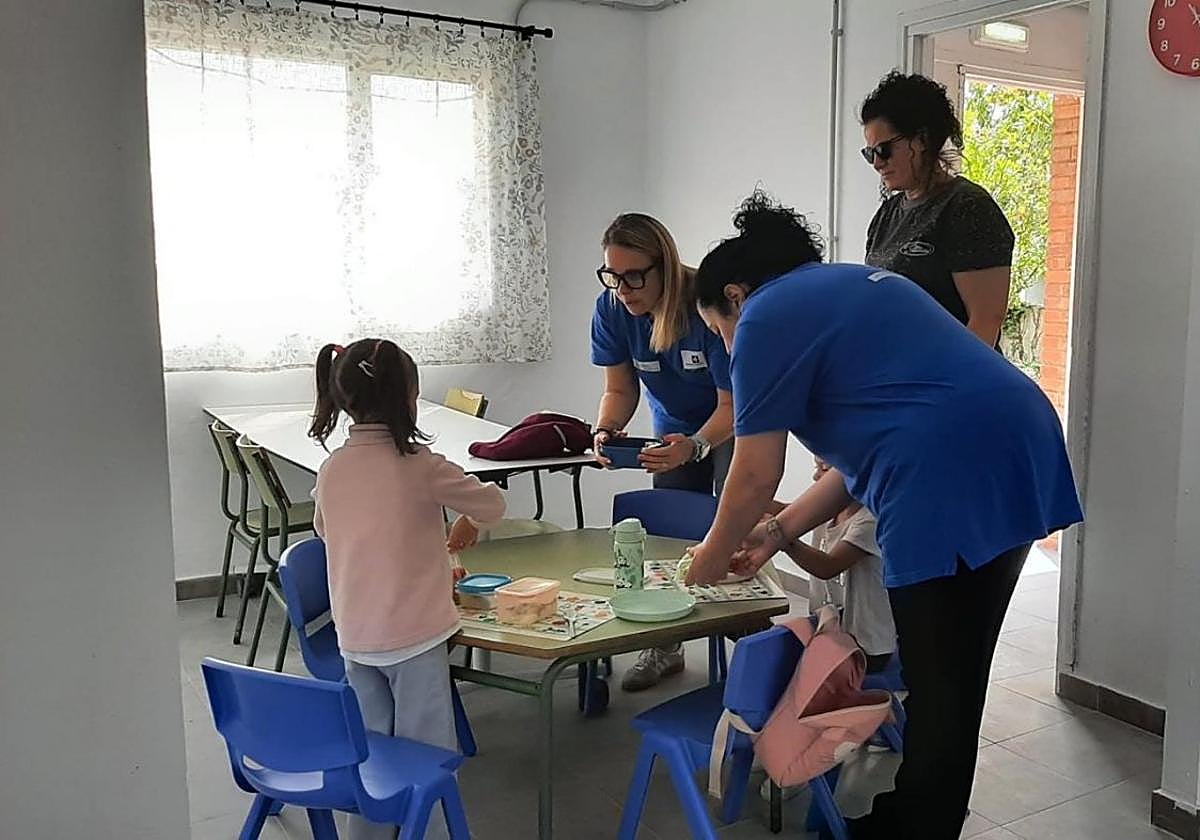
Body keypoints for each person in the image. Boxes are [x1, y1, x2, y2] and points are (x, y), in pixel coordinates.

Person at [684, 192, 1082, 840]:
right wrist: (777, 532)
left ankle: (915, 827)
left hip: (946, 465)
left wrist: (705, 558)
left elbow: (754, 473)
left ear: (735, 295)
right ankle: (915, 817)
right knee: (956, 670)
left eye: (719, 331)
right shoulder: (849, 285)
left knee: (938, 679)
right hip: (1019, 434)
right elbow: (861, 461)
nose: (728, 345)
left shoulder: (763, 315)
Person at [308, 338, 506, 840]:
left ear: (344, 400)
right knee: (428, 759)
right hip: (416, 638)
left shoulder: (331, 468)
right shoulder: (422, 465)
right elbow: (492, 505)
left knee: (372, 755)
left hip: (355, 637)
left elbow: (325, 532)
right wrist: (465, 522)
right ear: (408, 399)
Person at [590, 212, 734, 691]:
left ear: (665, 267)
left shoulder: (704, 305)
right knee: (669, 533)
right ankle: (666, 645)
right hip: (671, 429)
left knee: (732, 521)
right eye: (613, 275)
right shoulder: (612, 308)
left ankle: (749, 633)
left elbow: (732, 405)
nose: (623, 289)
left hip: (729, 422)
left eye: (634, 276)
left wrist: (696, 446)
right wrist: (607, 428)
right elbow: (619, 389)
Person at [861, 71, 1014, 347]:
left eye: (883, 150)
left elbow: (985, 321)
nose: (876, 163)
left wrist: (947, 375)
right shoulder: (888, 214)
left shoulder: (967, 208)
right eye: (869, 153)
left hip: (944, 370)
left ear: (921, 140)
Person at [783, 458, 895, 674]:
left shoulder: (871, 519)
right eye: (816, 468)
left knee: (784, 662)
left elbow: (828, 566)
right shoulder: (829, 511)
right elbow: (789, 514)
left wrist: (781, 539)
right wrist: (752, 505)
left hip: (865, 647)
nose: (816, 477)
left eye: (824, 470)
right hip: (832, 630)